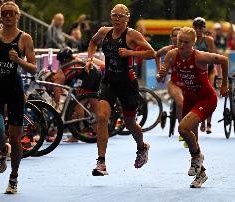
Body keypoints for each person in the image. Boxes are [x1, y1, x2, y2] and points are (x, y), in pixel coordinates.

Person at [85, 4, 156, 176]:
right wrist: (90, 59)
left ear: (127, 18)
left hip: (128, 84)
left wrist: (131, 52)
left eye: (121, 16)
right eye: (114, 15)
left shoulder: (132, 35)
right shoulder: (104, 32)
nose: (117, 18)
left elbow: (151, 53)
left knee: (130, 123)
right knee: (101, 117)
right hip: (109, 81)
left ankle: (142, 147)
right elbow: (93, 42)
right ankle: (101, 162)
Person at [157, 27, 228, 188]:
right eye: (179, 41)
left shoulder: (200, 57)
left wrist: (224, 84)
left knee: (182, 129)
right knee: (191, 139)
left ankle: (197, 157)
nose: (181, 44)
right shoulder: (172, 54)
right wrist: (160, 74)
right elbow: (162, 75)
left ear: (194, 43)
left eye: (186, 42)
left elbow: (223, 60)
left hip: (206, 99)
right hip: (190, 99)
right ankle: (200, 173)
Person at [0, 1, 37, 194]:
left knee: (15, 137)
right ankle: (2, 149)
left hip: (15, 90)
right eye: (4, 13)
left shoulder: (25, 38)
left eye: (11, 13)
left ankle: (13, 178)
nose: (7, 16)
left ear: (17, 16)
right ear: (0, 16)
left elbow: (33, 67)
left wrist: (18, 60)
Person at [155, 27, 185, 144]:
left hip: (188, 82)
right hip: (174, 82)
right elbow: (157, 55)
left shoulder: (189, 49)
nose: (176, 38)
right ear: (171, 38)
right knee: (180, 102)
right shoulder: (168, 50)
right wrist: (159, 72)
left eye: (179, 36)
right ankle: (182, 129)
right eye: (174, 36)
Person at [193, 17, 216, 134]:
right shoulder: (191, 40)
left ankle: (208, 123)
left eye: (199, 28)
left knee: (209, 95)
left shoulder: (209, 40)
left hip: (209, 70)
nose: (197, 30)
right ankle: (199, 119)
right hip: (197, 71)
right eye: (195, 27)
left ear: (203, 28)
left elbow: (212, 57)